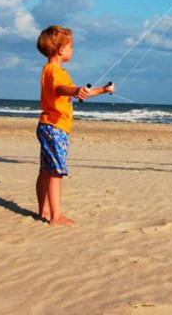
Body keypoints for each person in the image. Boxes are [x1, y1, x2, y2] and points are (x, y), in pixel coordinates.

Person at [35, 25, 114, 226]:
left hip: (47, 126)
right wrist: (75, 90)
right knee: (56, 172)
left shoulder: (50, 70)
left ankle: (43, 209)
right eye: (71, 46)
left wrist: (103, 90)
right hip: (55, 127)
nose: (72, 50)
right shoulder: (55, 72)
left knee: (46, 170)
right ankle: (56, 216)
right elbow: (61, 88)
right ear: (61, 49)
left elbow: (78, 92)